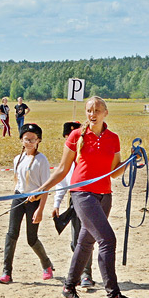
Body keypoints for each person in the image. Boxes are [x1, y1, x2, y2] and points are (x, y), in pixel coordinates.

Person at [35, 96, 137, 298]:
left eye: (97, 110)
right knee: (107, 240)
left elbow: (115, 172)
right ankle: (114, 296)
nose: (92, 114)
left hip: (104, 195)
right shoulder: (76, 136)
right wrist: (42, 189)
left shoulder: (113, 138)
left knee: (85, 243)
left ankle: (69, 287)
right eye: (89, 110)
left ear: (105, 113)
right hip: (82, 194)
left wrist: (128, 161)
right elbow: (63, 169)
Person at [0, 123, 54, 284]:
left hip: (34, 200)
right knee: (11, 234)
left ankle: (46, 264)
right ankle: (6, 272)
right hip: (19, 197)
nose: (28, 142)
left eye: (32, 139)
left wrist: (40, 209)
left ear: (38, 140)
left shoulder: (41, 160)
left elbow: (45, 188)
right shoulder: (17, 159)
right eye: (26, 139)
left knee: (31, 238)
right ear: (21, 140)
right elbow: (18, 181)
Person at [52, 121, 93, 287]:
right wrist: (56, 204)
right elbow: (62, 183)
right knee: (75, 240)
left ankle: (86, 275)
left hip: (89, 199)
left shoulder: (87, 157)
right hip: (73, 199)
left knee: (85, 238)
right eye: (68, 138)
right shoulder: (66, 161)